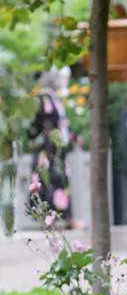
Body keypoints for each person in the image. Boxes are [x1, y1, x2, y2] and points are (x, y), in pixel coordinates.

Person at [28, 67, 82, 229]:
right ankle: (52, 219)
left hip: (55, 150)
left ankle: (62, 219)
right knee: (51, 181)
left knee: (57, 181)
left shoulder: (51, 98)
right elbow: (35, 126)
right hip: (49, 151)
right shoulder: (43, 98)